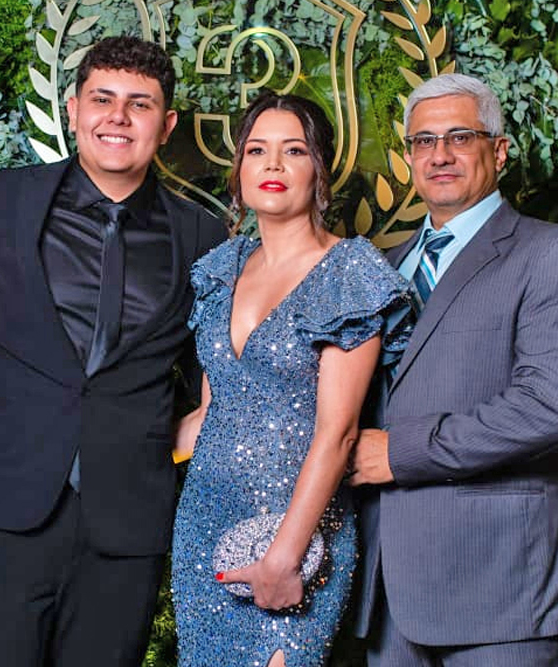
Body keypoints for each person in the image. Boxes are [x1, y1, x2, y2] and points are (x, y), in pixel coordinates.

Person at [0, 36, 226, 666]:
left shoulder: (204, 235)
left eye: (139, 104)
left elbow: (222, 374)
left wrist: (159, 441)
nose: (117, 117)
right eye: (102, 99)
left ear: (166, 124)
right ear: (72, 110)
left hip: (124, 529)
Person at [348, 73, 558, 666]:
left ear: (500, 151)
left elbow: (547, 408)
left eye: (460, 137)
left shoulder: (553, 254)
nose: (439, 155)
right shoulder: (378, 268)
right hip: (388, 593)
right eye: (423, 141)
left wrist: (398, 453)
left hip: (499, 588)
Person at [172, 92, 413, 667]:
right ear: (240, 169)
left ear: (319, 168)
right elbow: (212, 411)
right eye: (257, 150)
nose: (273, 164)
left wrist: (285, 555)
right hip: (204, 528)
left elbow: (339, 434)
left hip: (299, 536)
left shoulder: (348, 273)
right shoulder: (221, 269)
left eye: (294, 150)